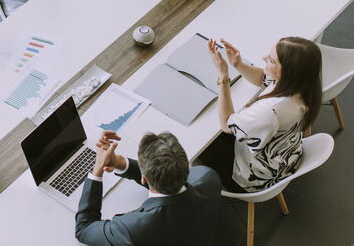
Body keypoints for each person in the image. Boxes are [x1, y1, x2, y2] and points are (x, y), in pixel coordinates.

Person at [201, 37, 322, 192]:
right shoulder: (303, 86)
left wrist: (223, 77)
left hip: (253, 178)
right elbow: (263, 79)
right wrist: (237, 65)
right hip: (284, 157)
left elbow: (226, 123)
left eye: (271, 60)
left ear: (287, 72)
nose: (264, 58)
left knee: (201, 142)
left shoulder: (270, 111)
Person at [75, 131, 221, 246]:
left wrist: (97, 168)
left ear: (143, 178)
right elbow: (170, 177)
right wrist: (120, 163)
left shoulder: (132, 229)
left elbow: (84, 228)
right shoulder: (208, 178)